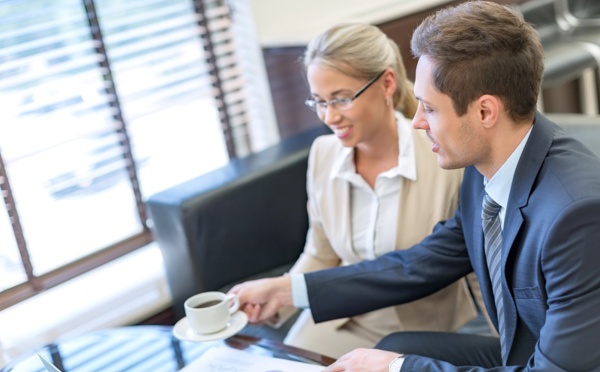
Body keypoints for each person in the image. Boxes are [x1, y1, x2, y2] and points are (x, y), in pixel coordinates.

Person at [231, 1, 600, 370]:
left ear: (485, 112)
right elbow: (423, 261)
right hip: (522, 353)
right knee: (395, 345)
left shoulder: (576, 216)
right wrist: (287, 290)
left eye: (430, 108)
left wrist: (398, 368)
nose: (418, 122)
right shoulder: (485, 162)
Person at [270, 22, 483, 358]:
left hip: (422, 329)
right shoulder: (323, 154)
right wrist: (275, 299)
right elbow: (321, 253)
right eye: (319, 102)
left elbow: (477, 261)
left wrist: (512, 347)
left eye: (340, 99)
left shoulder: (444, 155)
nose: (329, 116)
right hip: (341, 316)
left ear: (386, 83)